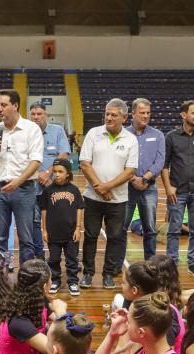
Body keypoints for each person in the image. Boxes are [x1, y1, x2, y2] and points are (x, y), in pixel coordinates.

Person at [79, 98, 138, 288]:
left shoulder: (131, 139)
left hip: (118, 199)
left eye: (114, 115)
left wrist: (108, 187)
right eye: (107, 114)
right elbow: (84, 163)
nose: (109, 118)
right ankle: (88, 273)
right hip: (93, 197)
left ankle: (108, 275)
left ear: (124, 117)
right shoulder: (93, 133)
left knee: (114, 237)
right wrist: (100, 187)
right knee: (90, 235)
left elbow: (131, 170)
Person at [0, 89, 44, 265]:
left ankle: (26, 280)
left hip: (23, 189)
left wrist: (18, 181)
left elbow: (36, 161)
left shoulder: (31, 129)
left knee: (26, 238)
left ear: (15, 105)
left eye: (4, 105)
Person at [0, 259, 67, 354]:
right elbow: (52, 350)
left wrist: (60, 317)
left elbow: (53, 317)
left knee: (75, 353)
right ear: (43, 287)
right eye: (50, 280)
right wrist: (62, 314)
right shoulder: (18, 321)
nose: (51, 283)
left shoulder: (35, 299)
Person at [163, 99, 194, 277]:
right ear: (184, 115)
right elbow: (164, 165)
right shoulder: (171, 137)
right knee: (174, 229)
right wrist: (168, 187)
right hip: (178, 191)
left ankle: (193, 262)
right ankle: (172, 264)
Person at [123, 98, 165, 262]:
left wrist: (145, 178)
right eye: (142, 113)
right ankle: (117, 263)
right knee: (121, 228)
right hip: (126, 187)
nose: (146, 116)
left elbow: (160, 161)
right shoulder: (123, 134)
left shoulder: (158, 135)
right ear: (133, 113)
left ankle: (150, 263)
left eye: (148, 113)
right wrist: (133, 178)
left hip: (149, 188)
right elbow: (119, 160)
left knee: (150, 229)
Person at [29, 102, 71, 259]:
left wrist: (47, 173)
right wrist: (37, 174)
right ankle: (39, 257)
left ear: (46, 115)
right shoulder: (26, 133)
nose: (36, 117)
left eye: (39, 113)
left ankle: (59, 257)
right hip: (32, 187)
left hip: (54, 187)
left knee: (57, 222)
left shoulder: (57, 131)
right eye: (33, 114)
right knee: (34, 223)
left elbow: (63, 155)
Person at [41, 159, 84, 296]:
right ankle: (55, 280)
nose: (57, 174)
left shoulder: (74, 190)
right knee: (53, 259)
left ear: (68, 173)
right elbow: (44, 211)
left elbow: (79, 209)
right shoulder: (48, 190)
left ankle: (72, 281)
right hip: (53, 233)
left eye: (60, 171)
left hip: (71, 233)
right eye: (54, 172)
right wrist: (45, 230)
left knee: (72, 259)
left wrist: (78, 228)